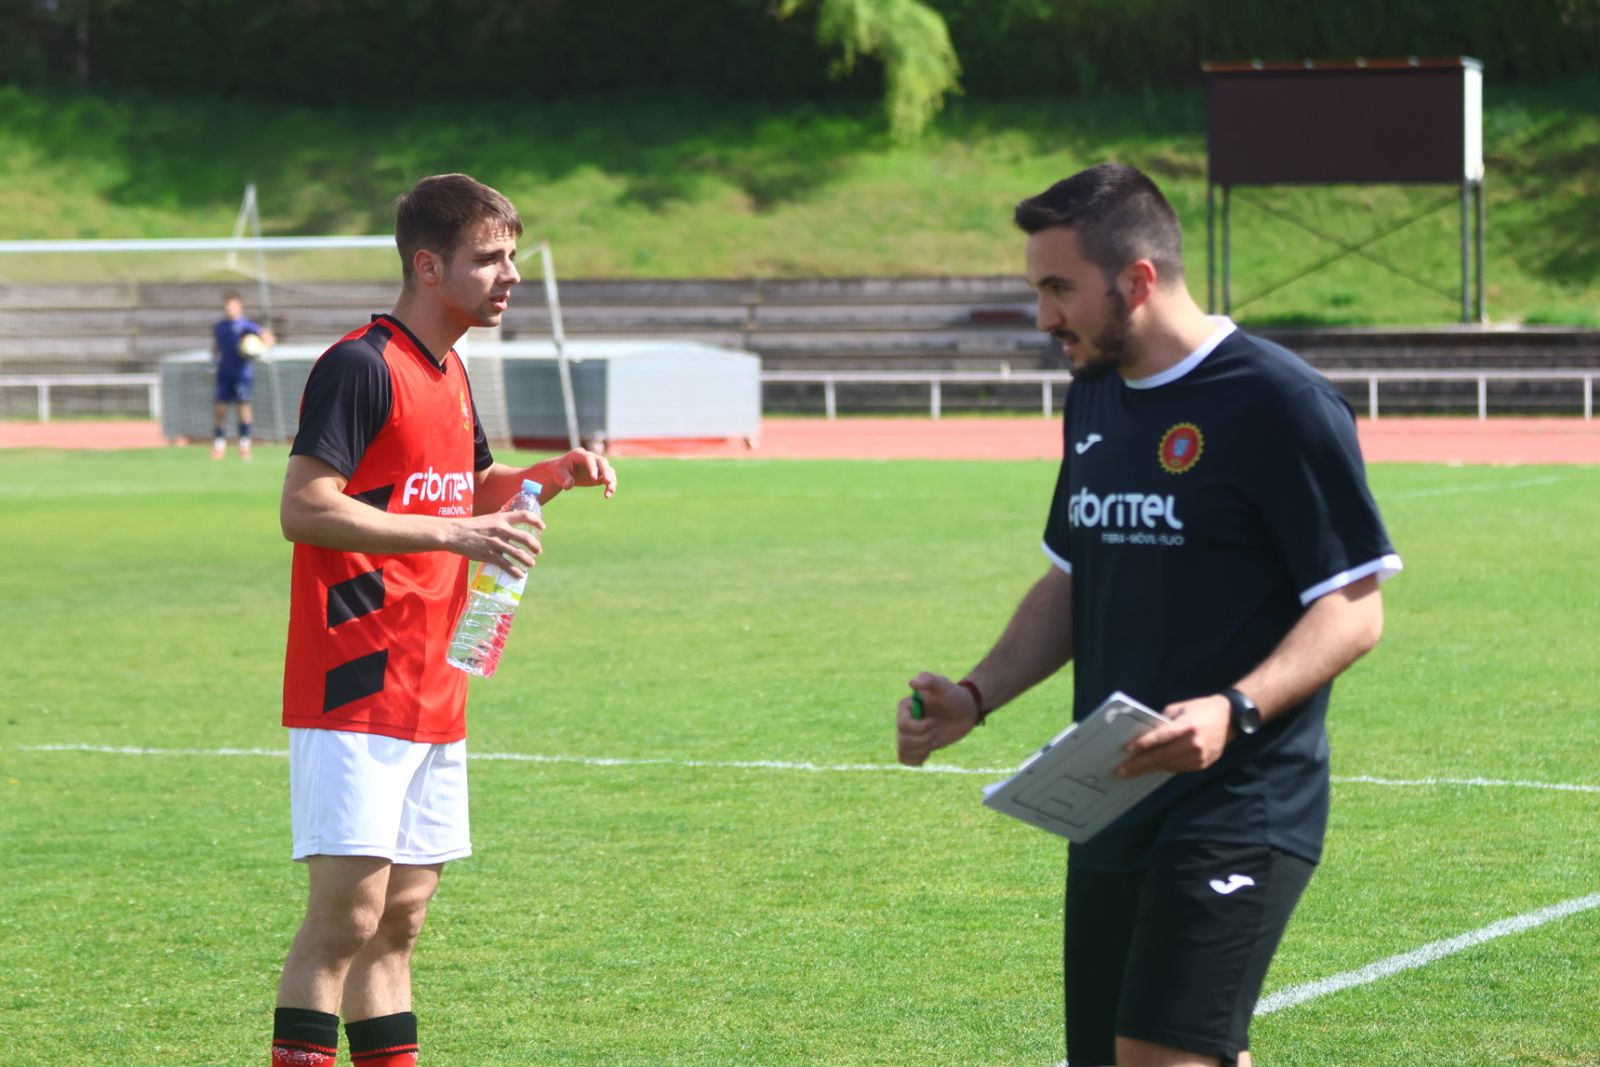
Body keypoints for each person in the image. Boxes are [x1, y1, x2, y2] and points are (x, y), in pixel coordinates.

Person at [895, 163, 1401, 1067]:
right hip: (1112, 797)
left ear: (1137, 280)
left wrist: (1233, 708)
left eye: (1059, 289)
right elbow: (1072, 576)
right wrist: (977, 694)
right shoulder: (1094, 390)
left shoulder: (1280, 402)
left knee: (1162, 1058)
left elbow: (1354, 609)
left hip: (1240, 798)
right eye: (1036, 289)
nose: (1044, 315)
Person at [271, 173, 618, 1067]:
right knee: (343, 919)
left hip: (436, 678)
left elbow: (471, 490)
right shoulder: (361, 364)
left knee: (401, 920)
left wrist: (551, 476)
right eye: (489, 258)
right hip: (354, 678)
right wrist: (459, 532)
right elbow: (306, 506)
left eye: (510, 255)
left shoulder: (452, 368)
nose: (509, 274)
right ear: (429, 264)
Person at [212, 291, 275, 460]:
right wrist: (213, 362)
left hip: (242, 375)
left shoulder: (246, 325)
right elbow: (216, 347)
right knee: (220, 408)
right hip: (224, 373)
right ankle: (219, 444)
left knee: (243, 408)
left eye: (231, 304)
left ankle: (244, 445)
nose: (228, 308)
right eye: (226, 304)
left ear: (239, 306)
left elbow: (268, 338)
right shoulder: (220, 326)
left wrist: (261, 349)